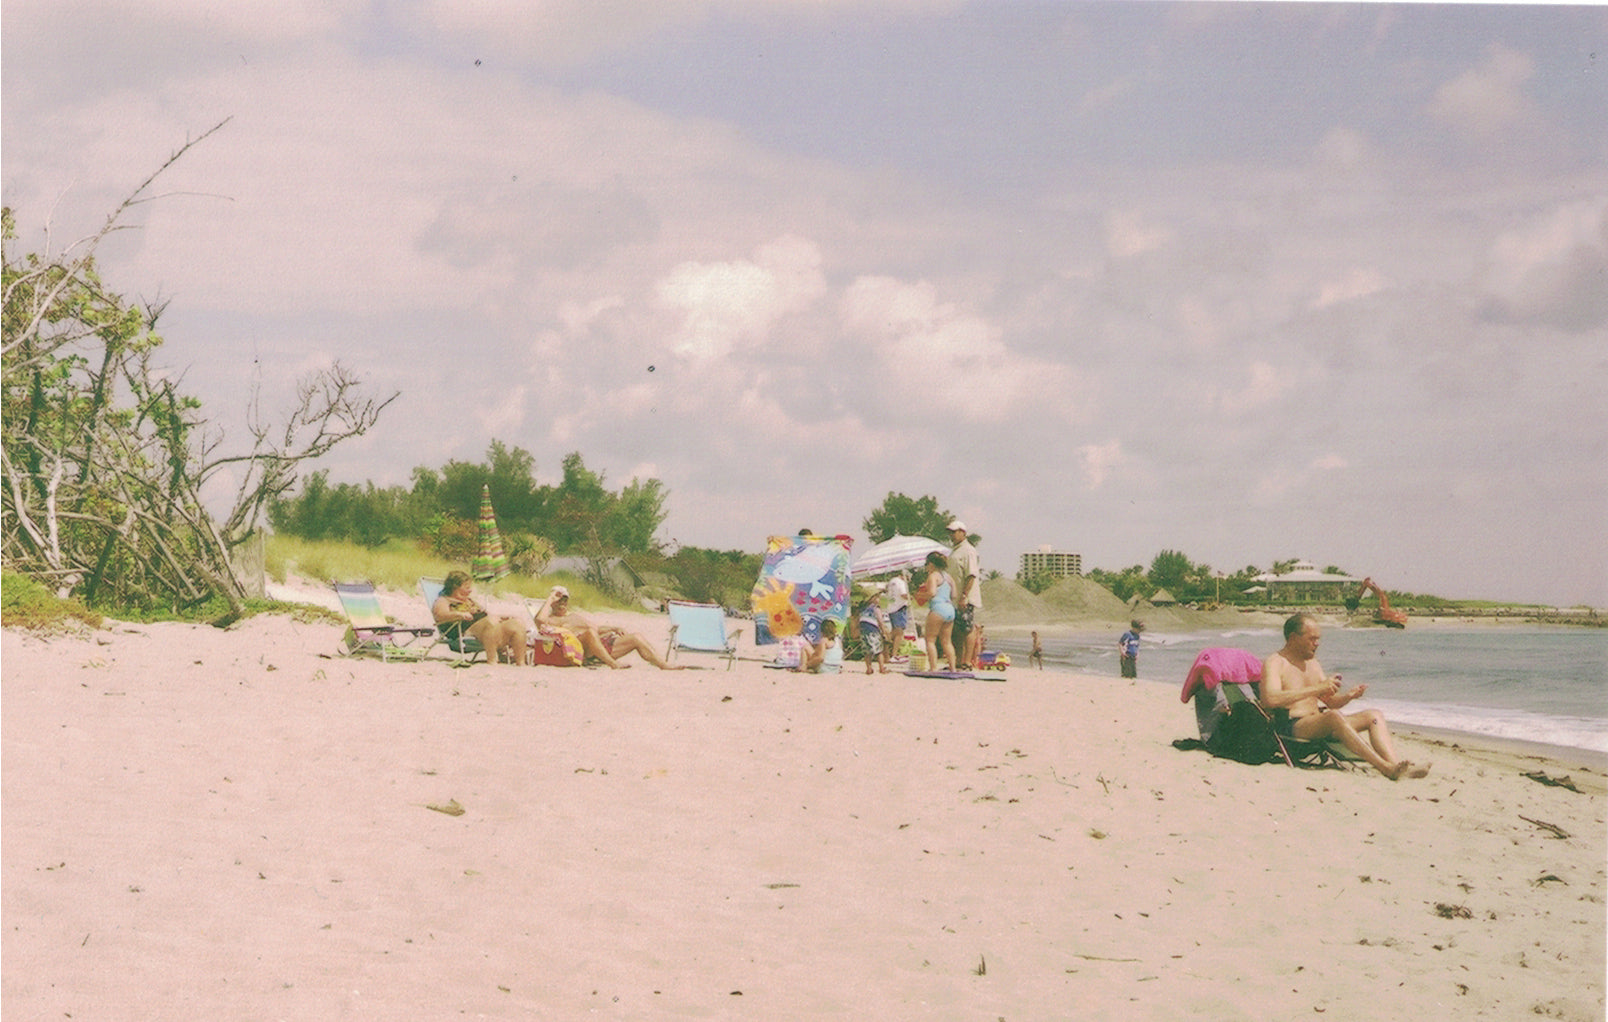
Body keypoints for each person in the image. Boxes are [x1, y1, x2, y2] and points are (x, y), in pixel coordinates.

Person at [1261, 613, 1430, 780]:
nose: (1317, 644)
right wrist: (1317, 688)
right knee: (1333, 717)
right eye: (1312, 639)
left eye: (1318, 639)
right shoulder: (1276, 662)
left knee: (1374, 715)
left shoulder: (1312, 663)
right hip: (1293, 726)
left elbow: (1329, 702)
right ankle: (1384, 767)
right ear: (1293, 638)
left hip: (1321, 722)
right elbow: (1270, 699)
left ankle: (1395, 765)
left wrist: (1348, 697)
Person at [535, 585, 683, 669]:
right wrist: (550, 598)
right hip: (584, 650)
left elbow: (596, 628)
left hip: (600, 646)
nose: (562, 604)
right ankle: (613, 664)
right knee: (589, 633)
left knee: (636, 637)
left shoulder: (574, 616)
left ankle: (663, 664)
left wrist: (613, 628)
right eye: (559, 601)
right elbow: (539, 621)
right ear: (553, 603)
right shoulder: (552, 620)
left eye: (565, 601)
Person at [432, 570, 529, 665]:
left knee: (517, 623)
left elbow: (486, 614)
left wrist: (502, 617)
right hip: (463, 630)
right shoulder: (443, 600)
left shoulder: (469, 601)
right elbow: (440, 615)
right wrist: (460, 614)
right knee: (490, 622)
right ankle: (492, 661)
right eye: (466, 587)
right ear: (454, 587)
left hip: (487, 629)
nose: (470, 590)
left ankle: (521, 663)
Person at [947, 521, 982, 670]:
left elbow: (971, 575)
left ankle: (967, 661)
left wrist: (964, 596)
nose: (951, 535)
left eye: (954, 532)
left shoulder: (968, 550)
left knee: (967, 629)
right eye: (950, 532)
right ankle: (959, 661)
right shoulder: (955, 551)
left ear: (963, 532)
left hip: (965, 597)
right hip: (955, 598)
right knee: (958, 631)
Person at [916, 550, 957, 672]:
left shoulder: (933, 576)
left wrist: (919, 595)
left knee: (930, 639)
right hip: (949, 608)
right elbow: (954, 595)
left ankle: (933, 667)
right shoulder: (948, 577)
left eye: (927, 564)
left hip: (938, 608)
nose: (926, 567)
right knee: (947, 641)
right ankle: (952, 668)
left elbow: (932, 593)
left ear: (931, 564)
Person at [852, 594, 890, 674]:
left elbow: (858, 621)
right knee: (879, 651)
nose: (879, 599)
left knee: (867, 652)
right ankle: (881, 668)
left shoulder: (862, 609)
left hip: (863, 632)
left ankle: (869, 668)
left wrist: (856, 631)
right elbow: (880, 622)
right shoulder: (876, 609)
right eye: (877, 598)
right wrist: (884, 632)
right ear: (872, 598)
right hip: (873, 632)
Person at [884, 571, 910, 658]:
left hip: (891, 607)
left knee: (895, 630)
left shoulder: (892, 581)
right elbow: (903, 594)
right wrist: (913, 597)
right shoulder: (901, 582)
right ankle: (894, 654)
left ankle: (888, 652)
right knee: (899, 632)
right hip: (899, 607)